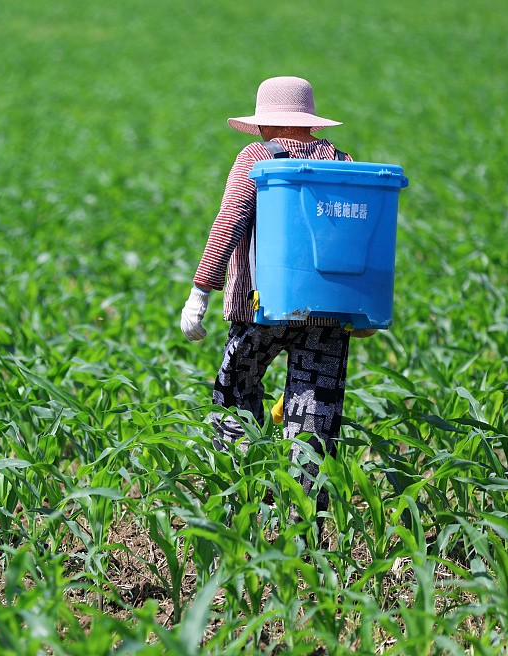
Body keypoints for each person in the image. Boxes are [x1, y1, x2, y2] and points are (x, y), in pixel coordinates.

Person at [180, 75, 375, 517]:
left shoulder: (256, 157)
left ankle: (238, 505)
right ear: (311, 123)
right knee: (314, 426)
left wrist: (200, 291)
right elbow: (357, 235)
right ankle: (308, 536)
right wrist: (359, 309)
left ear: (265, 125)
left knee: (234, 396)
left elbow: (228, 224)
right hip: (327, 315)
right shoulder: (342, 161)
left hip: (259, 310)